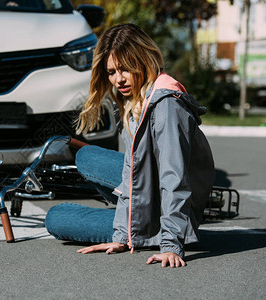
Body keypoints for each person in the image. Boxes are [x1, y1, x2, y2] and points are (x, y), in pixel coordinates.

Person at [45, 23, 215, 268]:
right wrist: (121, 236)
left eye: (125, 69)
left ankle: (157, 226)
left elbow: (173, 177)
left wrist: (170, 244)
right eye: (112, 72)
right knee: (86, 156)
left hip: (164, 209)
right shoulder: (136, 99)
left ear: (143, 61)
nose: (118, 80)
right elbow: (130, 169)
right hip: (149, 191)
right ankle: (126, 220)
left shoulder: (167, 105)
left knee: (56, 218)